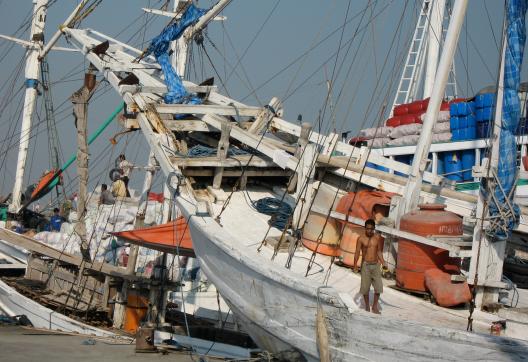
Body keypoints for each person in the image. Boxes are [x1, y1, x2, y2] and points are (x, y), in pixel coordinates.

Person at [353, 218, 387, 314]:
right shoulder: (360, 239)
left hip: (376, 265)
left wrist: (383, 262)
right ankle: (367, 306)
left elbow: (379, 251)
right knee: (365, 288)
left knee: (378, 287)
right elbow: (357, 252)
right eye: (368, 229)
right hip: (365, 265)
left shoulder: (377, 238)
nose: (369, 231)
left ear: (374, 229)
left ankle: (375, 307)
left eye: (371, 229)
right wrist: (355, 265)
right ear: (365, 228)